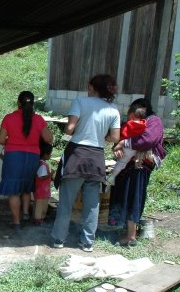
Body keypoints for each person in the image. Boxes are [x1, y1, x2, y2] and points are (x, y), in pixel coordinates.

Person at [51, 74, 121, 252]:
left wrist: (73, 130)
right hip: (97, 157)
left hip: (77, 154)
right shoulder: (113, 110)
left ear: (92, 87)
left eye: (88, 87)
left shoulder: (80, 102)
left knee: (66, 201)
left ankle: (59, 239)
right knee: (92, 204)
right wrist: (99, 136)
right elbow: (115, 137)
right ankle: (87, 242)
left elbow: (70, 128)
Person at [108, 98, 166, 247]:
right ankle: (125, 230)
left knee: (133, 198)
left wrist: (124, 143)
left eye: (130, 114)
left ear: (140, 110)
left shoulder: (154, 121)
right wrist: (119, 148)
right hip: (128, 167)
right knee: (124, 196)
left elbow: (148, 140)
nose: (129, 118)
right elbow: (120, 139)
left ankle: (131, 236)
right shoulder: (135, 124)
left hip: (139, 167)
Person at [0, 91, 53, 229]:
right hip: (32, 157)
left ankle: (16, 221)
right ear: (32, 104)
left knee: (14, 191)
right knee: (27, 185)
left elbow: (1, 140)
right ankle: (26, 213)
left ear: (18, 104)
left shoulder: (9, 118)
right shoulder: (39, 119)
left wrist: (13, 140)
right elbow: (49, 139)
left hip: (13, 157)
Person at [106, 106, 150, 186]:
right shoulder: (144, 126)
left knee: (121, 162)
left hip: (126, 147)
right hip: (135, 148)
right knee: (127, 162)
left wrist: (119, 143)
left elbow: (122, 133)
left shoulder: (128, 125)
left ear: (132, 114)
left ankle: (112, 177)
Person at [33, 141, 54, 225]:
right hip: (41, 190)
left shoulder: (40, 163)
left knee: (40, 204)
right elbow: (42, 176)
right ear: (45, 154)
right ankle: (38, 219)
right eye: (50, 154)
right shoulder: (43, 165)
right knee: (40, 205)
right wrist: (51, 174)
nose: (50, 155)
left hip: (41, 190)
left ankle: (38, 218)